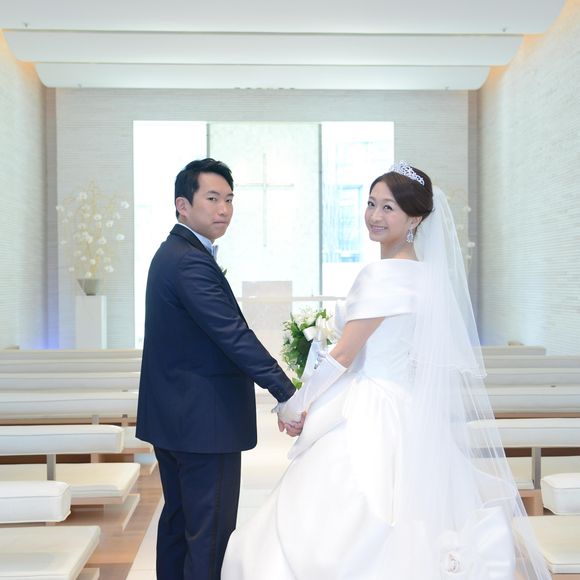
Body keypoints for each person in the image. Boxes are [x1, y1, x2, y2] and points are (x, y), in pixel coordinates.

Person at [221, 161, 551, 579]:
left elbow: (343, 355)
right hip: (407, 409)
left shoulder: (382, 276)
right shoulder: (427, 277)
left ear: (415, 219)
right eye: (371, 203)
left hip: (370, 407)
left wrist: (295, 404)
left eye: (389, 208)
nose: (375, 216)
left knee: (336, 513)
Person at [136, 158, 304, 580]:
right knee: (208, 535)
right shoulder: (188, 261)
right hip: (203, 423)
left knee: (180, 524)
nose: (224, 209)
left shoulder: (175, 252)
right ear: (183, 205)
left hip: (178, 419)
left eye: (229, 199)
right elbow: (232, 335)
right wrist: (287, 392)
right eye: (212, 199)